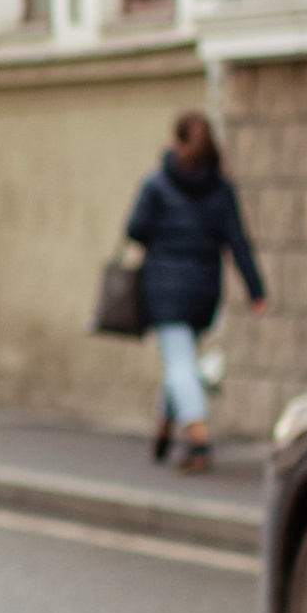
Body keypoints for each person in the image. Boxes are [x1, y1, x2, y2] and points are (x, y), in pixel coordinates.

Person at [123, 108, 266, 475]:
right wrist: (255, 289)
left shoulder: (156, 184)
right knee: (181, 361)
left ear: (177, 140)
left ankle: (199, 440)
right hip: (204, 288)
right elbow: (238, 241)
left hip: (164, 288)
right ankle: (163, 431)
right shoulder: (221, 189)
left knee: (179, 362)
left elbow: (135, 229)